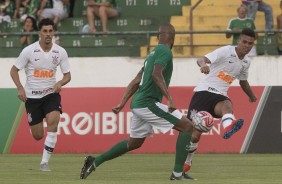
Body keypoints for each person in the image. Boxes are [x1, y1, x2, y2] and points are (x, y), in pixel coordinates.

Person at [79, 23, 195, 181]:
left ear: (157, 36)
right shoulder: (165, 51)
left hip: (138, 103)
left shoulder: (152, 54)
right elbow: (156, 74)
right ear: (173, 38)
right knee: (187, 127)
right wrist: (170, 98)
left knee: (134, 143)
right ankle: (177, 173)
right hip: (148, 103)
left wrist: (122, 103)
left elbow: (136, 80)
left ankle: (95, 161)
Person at [176, 28, 257, 177]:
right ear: (238, 41)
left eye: (250, 43)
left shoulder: (246, 62)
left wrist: (251, 96)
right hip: (204, 92)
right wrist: (203, 66)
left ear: (253, 45)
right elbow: (201, 59)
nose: (246, 45)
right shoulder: (226, 51)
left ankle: (228, 127)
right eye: (244, 42)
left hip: (220, 95)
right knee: (195, 134)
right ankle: (187, 162)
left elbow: (243, 81)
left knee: (228, 106)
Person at [10, 18, 71, 171]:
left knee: (54, 120)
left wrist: (60, 83)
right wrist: (20, 88)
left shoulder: (60, 52)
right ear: (39, 33)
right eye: (45, 31)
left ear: (54, 32)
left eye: (51, 31)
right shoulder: (29, 51)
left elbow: (67, 76)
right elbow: (13, 70)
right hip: (32, 97)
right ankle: (37, 123)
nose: (48, 34)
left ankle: (44, 163)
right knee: (37, 135)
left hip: (51, 94)